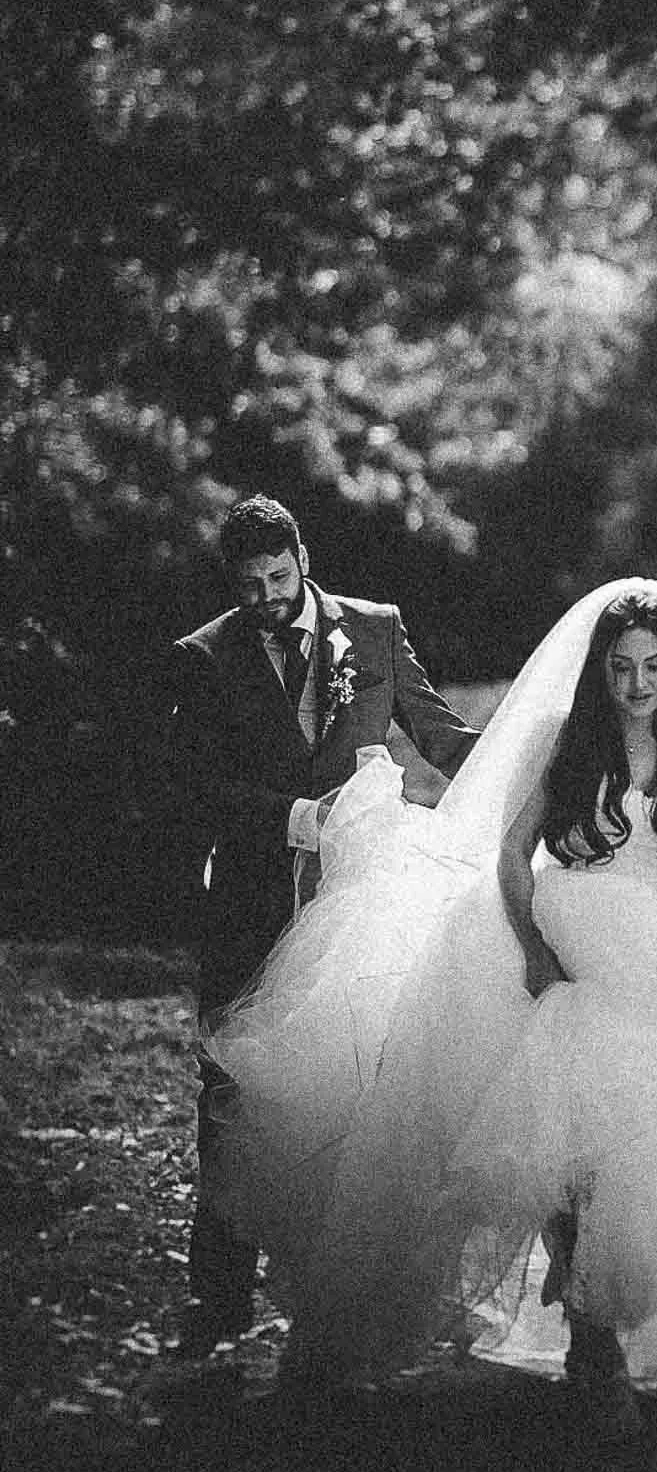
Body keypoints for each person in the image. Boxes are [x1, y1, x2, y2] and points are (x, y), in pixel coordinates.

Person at [203, 578, 657, 1438]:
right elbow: (512, 855)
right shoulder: (572, 746)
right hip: (580, 963)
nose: (638, 684)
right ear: (599, 671)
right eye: (621, 667)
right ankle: (592, 1350)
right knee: (569, 1147)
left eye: (653, 666)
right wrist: (534, 952)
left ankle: (608, 1322)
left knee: (654, 1152)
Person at [169, 494, 481, 1356]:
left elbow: (436, 729)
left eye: (278, 578)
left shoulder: (373, 629)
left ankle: (340, 1292)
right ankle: (220, 1295)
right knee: (231, 1085)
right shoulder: (203, 657)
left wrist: (528, 760)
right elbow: (198, 789)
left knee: (363, 1080)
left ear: (301, 560)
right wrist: (299, 817)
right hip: (251, 902)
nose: (267, 598)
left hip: (358, 902)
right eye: (250, 587)